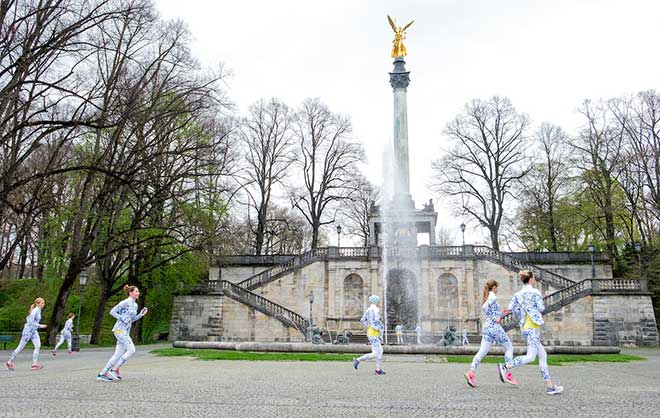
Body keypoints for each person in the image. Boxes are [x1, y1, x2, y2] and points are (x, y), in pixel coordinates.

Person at [499, 271, 564, 395]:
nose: (535, 279)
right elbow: (541, 308)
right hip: (532, 326)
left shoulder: (517, 294)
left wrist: (521, 312)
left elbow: (511, 308)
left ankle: (550, 386)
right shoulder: (535, 292)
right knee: (530, 357)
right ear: (530, 279)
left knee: (543, 355)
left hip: (525, 326)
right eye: (534, 277)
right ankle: (505, 367)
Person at [464, 280, 518, 388]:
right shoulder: (493, 296)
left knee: (482, 352)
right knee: (509, 348)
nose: (497, 289)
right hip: (495, 328)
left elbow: (493, 313)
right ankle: (506, 372)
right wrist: (495, 318)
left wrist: (503, 314)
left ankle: (471, 372)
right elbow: (485, 308)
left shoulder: (489, 296)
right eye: (497, 287)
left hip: (487, 328)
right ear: (493, 287)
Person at [97, 285, 148, 382]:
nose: (138, 293)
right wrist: (122, 318)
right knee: (132, 350)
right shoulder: (125, 302)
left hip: (125, 331)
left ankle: (102, 374)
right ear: (130, 293)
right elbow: (112, 312)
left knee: (117, 354)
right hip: (119, 330)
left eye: (138, 291)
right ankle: (114, 369)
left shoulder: (135, 305)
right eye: (136, 291)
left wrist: (141, 314)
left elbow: (131, 320)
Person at [6, 297, 47, 371]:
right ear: (37, 303)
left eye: (43, 303)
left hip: (33, 331)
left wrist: (37, 326)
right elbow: (30, 322)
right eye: (42, 303)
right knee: (20, 347)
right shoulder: (35, 311)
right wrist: (40, 325)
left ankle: (34, 364)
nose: (43, 304)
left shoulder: (39, 310)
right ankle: (9, 362)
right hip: (28, 331)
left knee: (38, 346)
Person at [352, 295, 386, 375]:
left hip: (371, 332)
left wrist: (369, 326)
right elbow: (376, 321)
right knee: (375, 353)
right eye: (379, 301)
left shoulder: (369, 309)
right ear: (376, 302)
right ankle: (357, 360)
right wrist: (379, 328)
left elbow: (362, 320)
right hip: (374, 332)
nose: (379, 303)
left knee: (380, 351)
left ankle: (378, 370)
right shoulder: (375, 310)